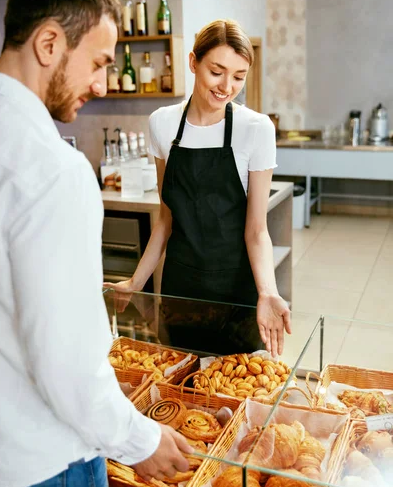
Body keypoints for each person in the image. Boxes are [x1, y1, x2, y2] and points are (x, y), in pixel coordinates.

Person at [0, 0, 192, 487]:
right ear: (50, 43)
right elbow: (65, 357)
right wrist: (137, 439)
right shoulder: (53, 169)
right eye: (100, 63)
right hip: (47, 466)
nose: (103, 84)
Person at [105, 19, 291, 358]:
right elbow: (166, 219)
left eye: (238, 76)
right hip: (181, 288)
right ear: (193, 62)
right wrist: (135, 282)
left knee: (234, 391)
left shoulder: (256, 129)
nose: (227, 86)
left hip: (236, 288)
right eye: (217, 72)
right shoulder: (162, 123)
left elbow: (256, 230)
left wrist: (267, 292)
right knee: (182, 387)